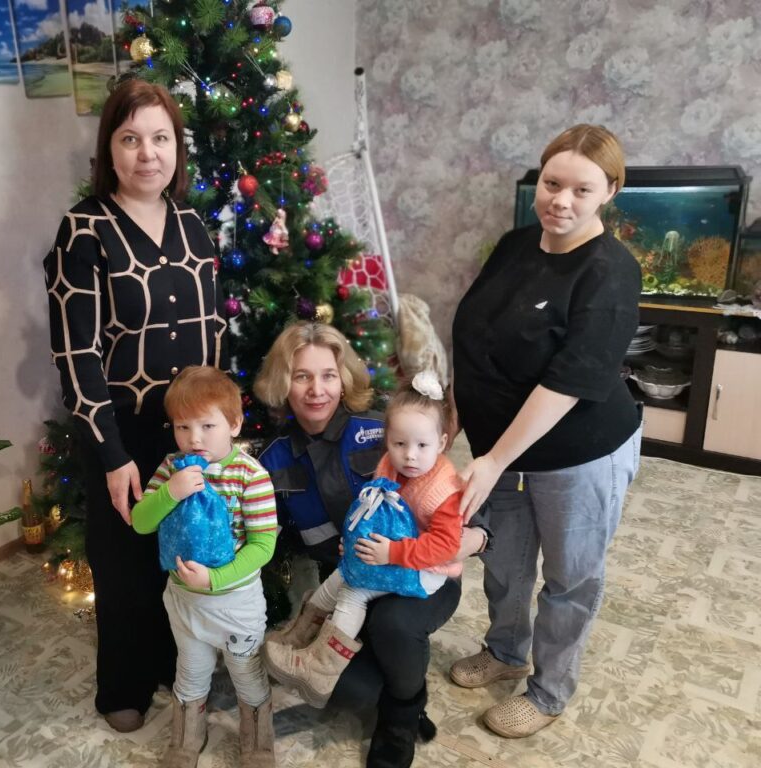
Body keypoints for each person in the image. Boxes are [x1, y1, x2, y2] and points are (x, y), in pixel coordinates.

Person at [43, 79, 225, 733]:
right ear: (109, 150)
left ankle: (179, 664)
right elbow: (77, 354)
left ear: (177, 148)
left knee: (183, 548)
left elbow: (213, 334)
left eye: (160, 138)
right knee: (122, 562)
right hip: (119, 432)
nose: (147, 153)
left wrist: (218, 428)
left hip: (189, 432)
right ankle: (123, 682)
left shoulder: (195, 227)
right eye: (130, 139)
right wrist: (112, 454)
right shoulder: (84, 230)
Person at [450, 124, 642, 738]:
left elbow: (567, 382)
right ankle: (505, 652)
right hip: (500, 452)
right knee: (504, 561)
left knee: (569, 577)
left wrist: (493, 460)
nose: (561, 200)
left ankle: (549, 690)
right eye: (552, 183)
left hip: (577, 454)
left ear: (610, 191)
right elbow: (474, 339)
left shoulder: (610, 273)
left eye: (581, 189)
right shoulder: (515, 245)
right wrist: (454, 417)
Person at [254, 321, 477, 768]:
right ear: (283, 382)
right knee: (349, 688)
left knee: (393, 627)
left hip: (419, 574)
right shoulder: (272, 457)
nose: (316, 390)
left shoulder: (384, 429)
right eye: (301, 376)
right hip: (349, 579)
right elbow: (264, 534)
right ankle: (384, 680)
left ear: (344, 379)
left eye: (328, 375)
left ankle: (401, 719)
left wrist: (471, 538)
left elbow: (460, 505)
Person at [263, 370, 463, 712]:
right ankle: (300, 636)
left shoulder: (444, 490)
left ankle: (321, 668)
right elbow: (372, 510)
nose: (410, 455)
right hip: (388, 553)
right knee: (340, 576)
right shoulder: (388, 465)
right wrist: (355, 542)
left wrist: (392, 552)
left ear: (442, 443)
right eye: (399, 444)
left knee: (354, 589)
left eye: (422, 446)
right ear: (388, 440)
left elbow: (446, 546)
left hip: (426, 571)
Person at [132, 366, 277, 768]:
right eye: (183, 427)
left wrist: (215, 578)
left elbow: (263, 545)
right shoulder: (171, 468)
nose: (193, 439)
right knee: (190, 671)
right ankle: (186, 739)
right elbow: (141, 522)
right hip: (185, 602)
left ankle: (258, 743)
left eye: (207, 426)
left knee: (247, 673)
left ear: (234, 424)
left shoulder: (250, 475)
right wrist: (169, 492)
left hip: (235, 603)